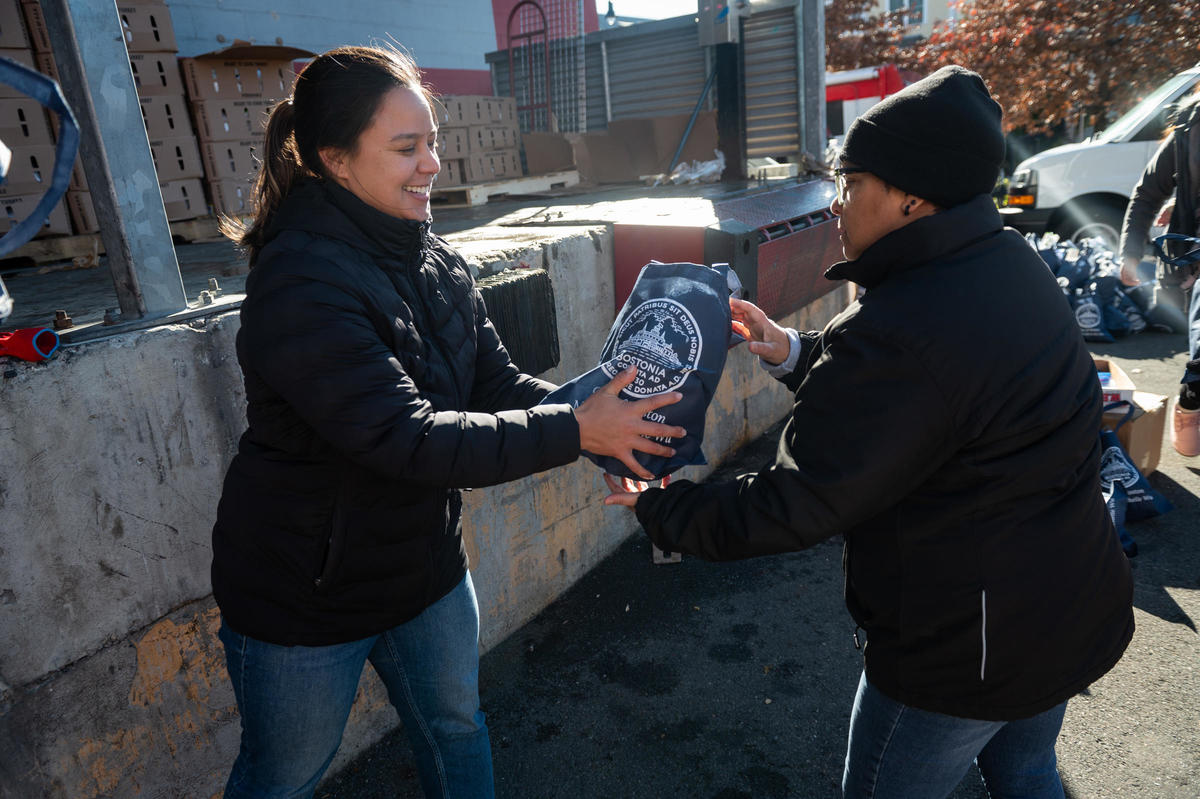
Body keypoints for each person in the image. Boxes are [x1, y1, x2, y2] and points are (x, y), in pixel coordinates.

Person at [606, 66, 1134, 798]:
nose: (835, 203)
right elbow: (938, 396)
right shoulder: (1005, 260)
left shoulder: (898, 329)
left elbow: (798, 499)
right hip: (1068, 603)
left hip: (965, 652)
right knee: (1027, 773)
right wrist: (794, 352)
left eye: (850, 182)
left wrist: (661, 508)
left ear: (910, 197)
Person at [211, 45, 685, 799]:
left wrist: (608, 417)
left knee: (457, 726)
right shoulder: (299, 282)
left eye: (432, 141)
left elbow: (493, 385)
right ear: (334, 161)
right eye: (407, 148)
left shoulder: (433, 257)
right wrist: (578, 430)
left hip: (423, 567)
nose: (433, 163)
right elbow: (409, 437)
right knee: (282, 776)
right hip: (304, 592)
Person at [1118, 86, 1200, 456]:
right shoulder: (1190, 127)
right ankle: (1192, 396)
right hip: (1193, 266)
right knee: (1189, 441)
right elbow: (1149, 192)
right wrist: (1131, 254)